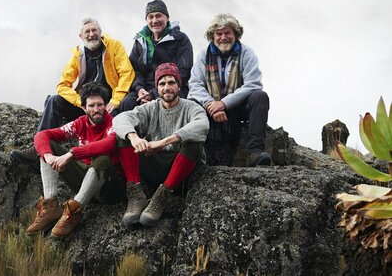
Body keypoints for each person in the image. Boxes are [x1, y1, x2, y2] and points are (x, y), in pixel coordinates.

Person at [11, 18, 135, 163]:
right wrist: (79, 102)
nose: (91, 34)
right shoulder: (78, 54)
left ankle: (98, 161)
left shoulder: (114, 46)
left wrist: (116, 99)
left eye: (94, 30)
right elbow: (63, 84)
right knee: (53, 100)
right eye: (87, 32)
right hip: (83, 106)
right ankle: (38, 150)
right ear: (81, 36)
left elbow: (127, 73)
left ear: (100, 32)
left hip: (106, 105)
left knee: (117, 116)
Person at [113, 63, 209, 227]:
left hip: (179, 170)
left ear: (179, 86)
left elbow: (202, 125)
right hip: (153, 165)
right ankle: (136, 194)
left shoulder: (191, 107)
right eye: (162, 84)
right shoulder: (150, 108)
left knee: (193, 143)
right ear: (157, 88)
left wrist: (163, 142)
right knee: (123, 136)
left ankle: (162, 196)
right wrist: (135, 138)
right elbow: (120, 119)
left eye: (171, 82)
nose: (167, 87)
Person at [25, 82, 126, 237]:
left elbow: (109, 144)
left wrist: (71, 154)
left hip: (109, 188)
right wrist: (48, 156)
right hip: (85, 182)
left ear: (106, 106)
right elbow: (42, 135)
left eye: (100, 105)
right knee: (48, 146)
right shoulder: (80, 123)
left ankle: (73, 212)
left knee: (102, 159)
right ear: (84, 108)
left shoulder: (113, 123)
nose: (96, 109)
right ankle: (51, 208)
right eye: (91, 106)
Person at [187, 13, 271, 166]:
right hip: (210, 107)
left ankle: (255, 152)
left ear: (236, 34)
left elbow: (253, 83)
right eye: (219, 33)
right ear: (212, 36)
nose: (223, 37)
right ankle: (194, 155)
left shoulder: (246, 53)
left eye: (227, 33)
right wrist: (211, 104)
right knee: (190, 103)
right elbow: (195, 85)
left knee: (260, 96)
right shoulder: (203, 56)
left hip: (237, 107)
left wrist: (224, 103)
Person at [119, 0, 194, 112]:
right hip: (144, 89)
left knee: (163, 106)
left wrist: (154, 93)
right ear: (146, 20)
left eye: (158, 16)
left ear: (167, 18)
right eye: (151, 17)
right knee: (127, 103)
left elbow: (183, 71)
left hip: (172, 87)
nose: (155, 20)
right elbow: (134, 70)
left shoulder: (180, 39)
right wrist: (139, 89)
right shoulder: (140, 41)